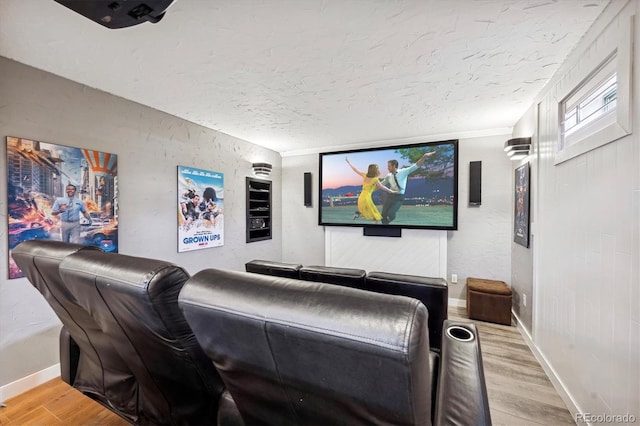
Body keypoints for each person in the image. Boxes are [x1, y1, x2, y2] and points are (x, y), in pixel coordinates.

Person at [379, 151, 435, 225]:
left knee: (391, 213)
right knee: (383, 214)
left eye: (389, 166)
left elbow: (416, 165)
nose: (387, 167)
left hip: (399, 198)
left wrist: (424, 156)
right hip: (390, 196)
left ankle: (388, 222)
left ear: (394, 166)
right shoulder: (388, 176)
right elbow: (381, 184)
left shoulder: (403, 172)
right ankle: (384, 227)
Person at [345, 157, 397, 224]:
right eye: (377, 168)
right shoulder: (375, 179)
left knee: (366, 212)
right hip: (367, 198)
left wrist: (349, 162)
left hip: (361, 197)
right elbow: (382, 187)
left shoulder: (365, 175)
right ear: (375, 170)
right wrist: (391, 191)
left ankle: (358, 213)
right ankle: (373, 229)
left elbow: (355, 170)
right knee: (375, 216)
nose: (378, 169)